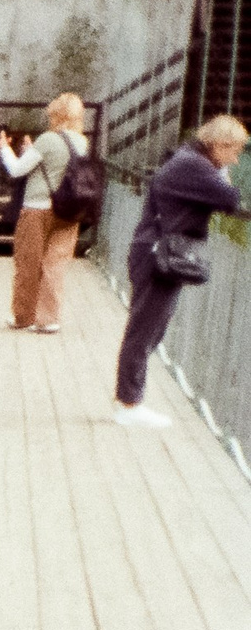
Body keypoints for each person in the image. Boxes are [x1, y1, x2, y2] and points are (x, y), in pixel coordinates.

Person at [113, 114, 248, 428]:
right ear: (219, 144)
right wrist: (222, 172)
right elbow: (230, 199)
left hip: (155, 252)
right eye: (234, 151)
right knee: (144, 331)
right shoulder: (194, 166)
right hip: (158, 256)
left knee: (149, 329)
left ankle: (129, 400)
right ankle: (128, 404)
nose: (235, 159)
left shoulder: (187, 159)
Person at [0, 94, 90, 332]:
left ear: (56, 114)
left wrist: (5, 149)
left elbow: (17, 170)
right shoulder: (82, 142)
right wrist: (32, 151)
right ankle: (48, 319)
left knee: (29, 262)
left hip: (37, 209)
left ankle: (23, 316)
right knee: (55, 265)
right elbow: (59, 167)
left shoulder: (47, 139)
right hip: (69, 211)